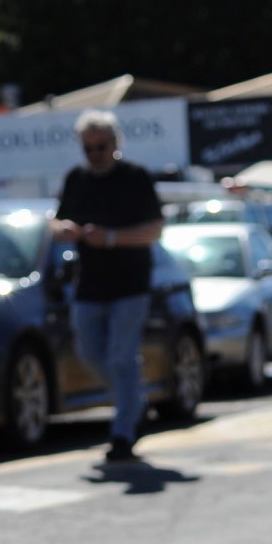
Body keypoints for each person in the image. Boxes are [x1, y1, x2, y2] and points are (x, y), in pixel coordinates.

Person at [51, 111, 164, 464]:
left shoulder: (136, 178)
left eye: (101, 147)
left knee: (121, 355)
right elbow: (54, 223)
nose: (95, 154)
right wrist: (65, 230)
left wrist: (111, 238)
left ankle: (124, 432)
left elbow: (155, 230)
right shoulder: (76, 179)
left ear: (115, 144)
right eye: (88, 148)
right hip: (90, 284)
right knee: (88, 353)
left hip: (131, 283)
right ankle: (134, 404)